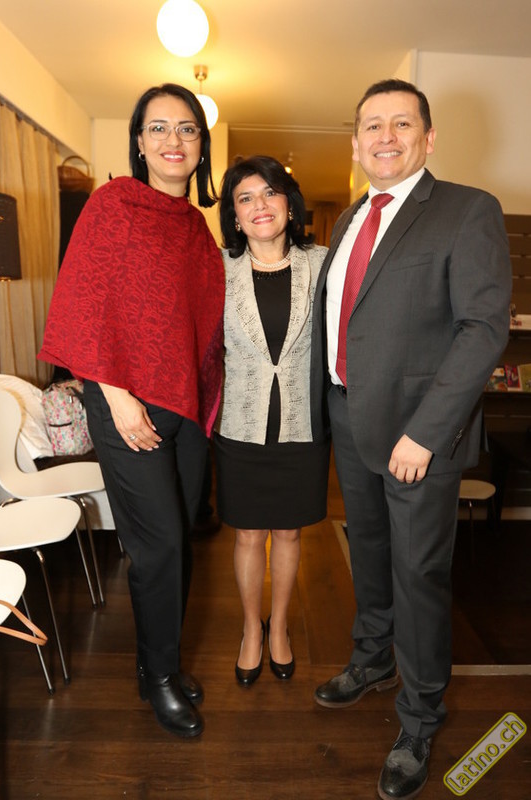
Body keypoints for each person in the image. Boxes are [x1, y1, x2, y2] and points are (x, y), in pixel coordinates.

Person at [310, 79, 512, 799]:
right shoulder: (350, 218)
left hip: (417, 436)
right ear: (355, 142)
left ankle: (420, 718)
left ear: (428, 138)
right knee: (367, 552)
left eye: (402, 123)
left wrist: (424, 434)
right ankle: (372, 658)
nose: (385, 136)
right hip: (347, 416)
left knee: (418, 575)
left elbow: (482, 329)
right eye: (372, 125)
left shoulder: (466, 209)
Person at [38, 83, 225, 739]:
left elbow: (198, 322)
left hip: (183, 406)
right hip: (125, 404)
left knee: (183, 539)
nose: (174, 140)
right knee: (158, 545)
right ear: (139, 142)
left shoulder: (196, 227)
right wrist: (116, 397)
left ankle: (157, 665)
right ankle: (161, 680)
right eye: (159, 128)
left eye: (187, 129)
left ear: (201, 146)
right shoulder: (111, 204)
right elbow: (82, 302)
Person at [215, 156, 330, 686]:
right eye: (245, 198)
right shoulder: (218, 269)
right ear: (235, 217)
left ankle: (278, 626)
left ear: (289, 204)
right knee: (247, 535)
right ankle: (250, 630)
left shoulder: (323, 264)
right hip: (239, 425)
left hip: (303, 423)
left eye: (270, 193)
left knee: (287, 533)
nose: (259, 205)